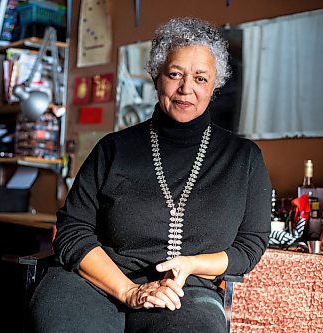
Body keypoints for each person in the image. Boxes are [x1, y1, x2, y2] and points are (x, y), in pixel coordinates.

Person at [30, 17, 271, 333]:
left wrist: (192, 264)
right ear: (157, 77)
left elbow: (250, 245)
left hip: (185, 294)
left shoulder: (244, 159)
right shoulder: (113, 149)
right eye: (175, 74)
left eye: (200, 78)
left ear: (215, 85)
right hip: (94, 282)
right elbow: (73, 230)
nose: (186, 89)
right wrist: (128, 291)